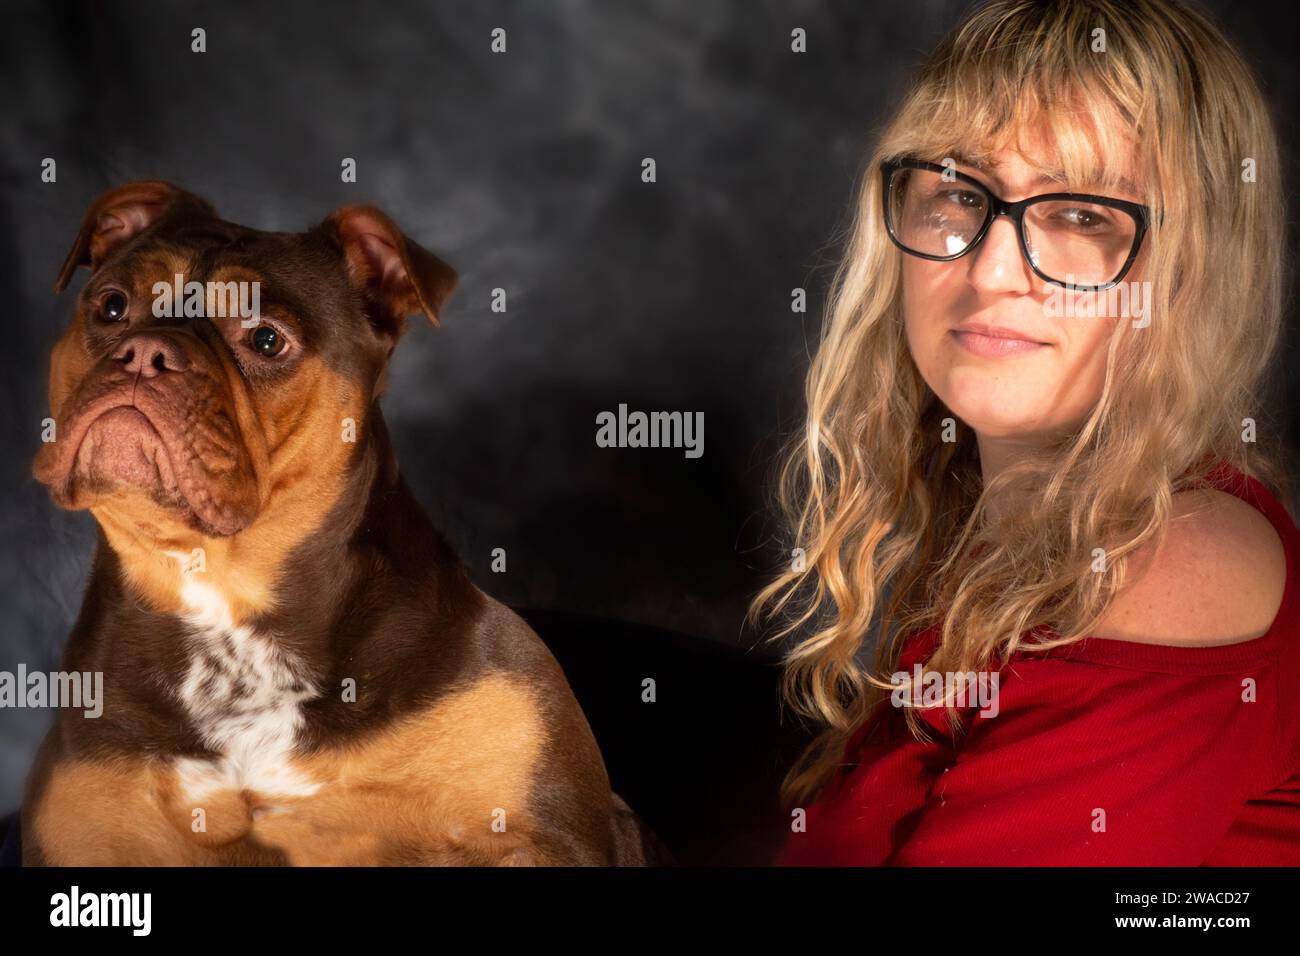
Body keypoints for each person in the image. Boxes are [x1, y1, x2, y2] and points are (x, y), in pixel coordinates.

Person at [752, 0, 1299, 865]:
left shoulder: (1177, 562)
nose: (991, 269)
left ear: (1192, 271)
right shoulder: (994, 520)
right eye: (960, 194)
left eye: (1082, 216)